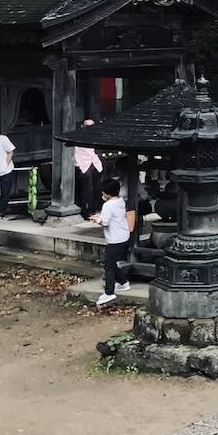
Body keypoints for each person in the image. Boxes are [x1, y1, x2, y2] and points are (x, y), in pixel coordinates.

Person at [92, 178, 132, 308]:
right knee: (111, 262)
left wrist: (96, 219)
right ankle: (123, 282)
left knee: (108, 265)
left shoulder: (108, 205)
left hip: (115, 238)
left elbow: (105, 221)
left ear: (107, 193)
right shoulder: (120, 201)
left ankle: (109, 292)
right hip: (123, 235)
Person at [74, 118, 104, 218]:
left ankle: (94, 208)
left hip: (94, 163)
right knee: (88, 190)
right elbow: (75, 153)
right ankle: (86, 210)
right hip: (83, 164)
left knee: (97, 188)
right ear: (82, 126)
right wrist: (80, 165)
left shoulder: (94, 135)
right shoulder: (78, 136)